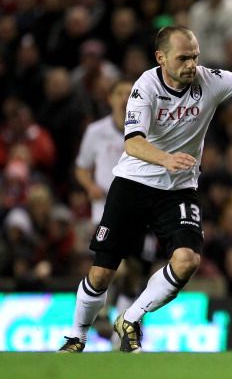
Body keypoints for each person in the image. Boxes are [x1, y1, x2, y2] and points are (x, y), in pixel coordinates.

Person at [58, 25, 232, 353]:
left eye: (194, 56)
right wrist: (166, 159)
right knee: (102, 273)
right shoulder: (145, 87)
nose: (191, 64)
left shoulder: (212, 80)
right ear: (160, 58)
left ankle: (131, 318)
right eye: (183, 58)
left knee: (187, 260)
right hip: (134, 184)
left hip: (178, 189)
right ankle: (77, 336)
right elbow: (134, 144)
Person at [73, 78, 158, 344]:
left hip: (140, 210)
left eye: (129, 93)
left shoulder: (148, 129)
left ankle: (119, 325)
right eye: (119, 93)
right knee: (114, 268)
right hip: (105, 210)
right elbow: (81, 166)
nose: (124, 98)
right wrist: (89, 186)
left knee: (134, 273)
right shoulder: (96, 132)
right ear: (109, 98)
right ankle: (104, 315)